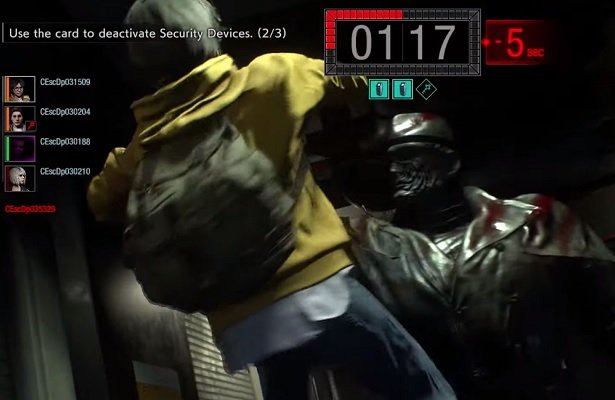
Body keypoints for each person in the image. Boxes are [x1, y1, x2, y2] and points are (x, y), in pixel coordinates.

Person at [86, 1, 456, 399]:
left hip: (245, 329)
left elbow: (99, 200)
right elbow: (360, 79)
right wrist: (415, 86)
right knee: (424, 389)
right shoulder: (271, 77)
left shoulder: (146, 142)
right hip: (319, 293)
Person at [348, 113, 615, 399]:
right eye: (388, 161)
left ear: (450, 163)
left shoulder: (534, 220)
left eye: (406, 157)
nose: (393, 170)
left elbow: (608, 311)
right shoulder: (374, 247)